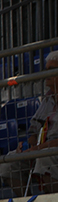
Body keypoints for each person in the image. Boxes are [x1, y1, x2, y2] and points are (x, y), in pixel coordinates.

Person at [26, 50, 58, 193]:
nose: (46, 74)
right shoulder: (48, 98)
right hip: (44, 146)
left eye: (51, 70)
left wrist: (39, 148)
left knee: (44, 159)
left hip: (52, 148)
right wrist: (30, 144)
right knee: (9, 163)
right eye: (46, 70)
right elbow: (33, 128)